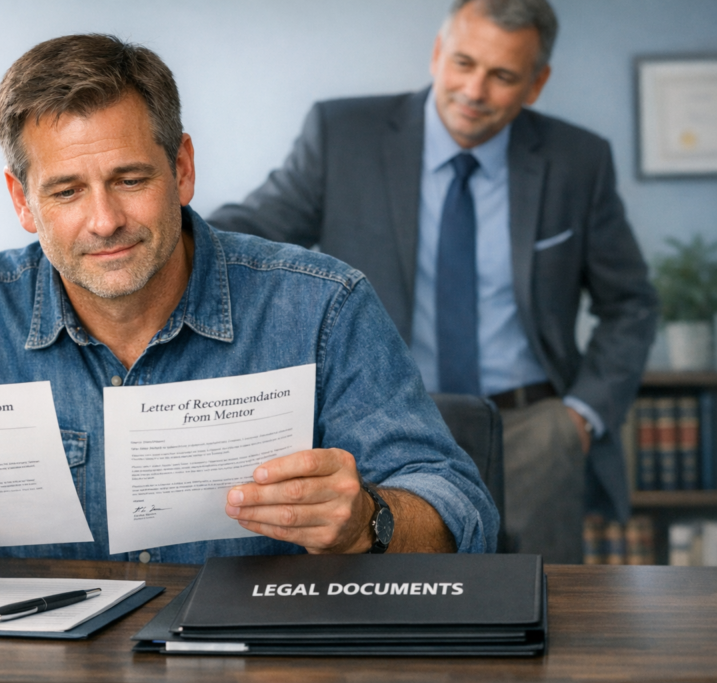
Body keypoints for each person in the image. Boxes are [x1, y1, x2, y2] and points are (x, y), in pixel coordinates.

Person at [0, 34, 497, 571]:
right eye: (65, 191)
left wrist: (366, 519)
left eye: (128, 178)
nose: (104, 220)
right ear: (22, 202)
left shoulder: (323, 305)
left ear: (181, 168)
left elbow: (459, 509)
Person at [209, 0, 658, 563]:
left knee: (540, 606)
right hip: (382, 427)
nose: (474, 90)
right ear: (437, 53)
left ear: (537, 83)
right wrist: (164, 227)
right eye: (464, 63)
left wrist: (580, 418)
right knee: (395, 608)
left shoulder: (578, 161)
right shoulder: (342, 134)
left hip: (536, 433)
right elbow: (249, 233)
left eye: (502, 76)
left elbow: (631, 304)